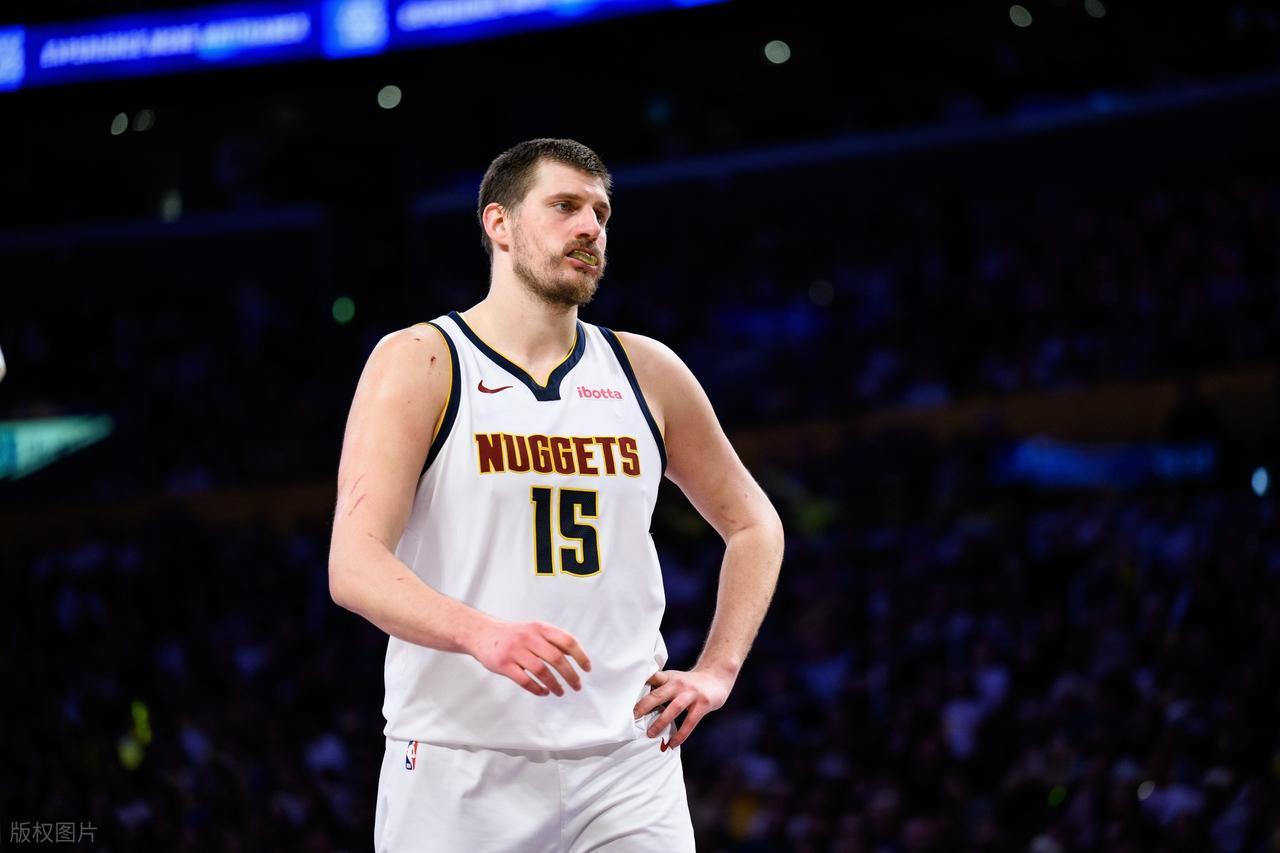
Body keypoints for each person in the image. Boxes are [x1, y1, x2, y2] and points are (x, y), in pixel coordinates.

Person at [328, 138, 784, 851]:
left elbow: (754, 524)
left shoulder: (647, 370)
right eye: (565, 206)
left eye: (601, 213)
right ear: (500, 224)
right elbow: (354, 564)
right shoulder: (420, 360)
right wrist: (482, 632)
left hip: (629, 762)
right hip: (461, 761)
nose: (590, 227)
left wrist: (718, 668)